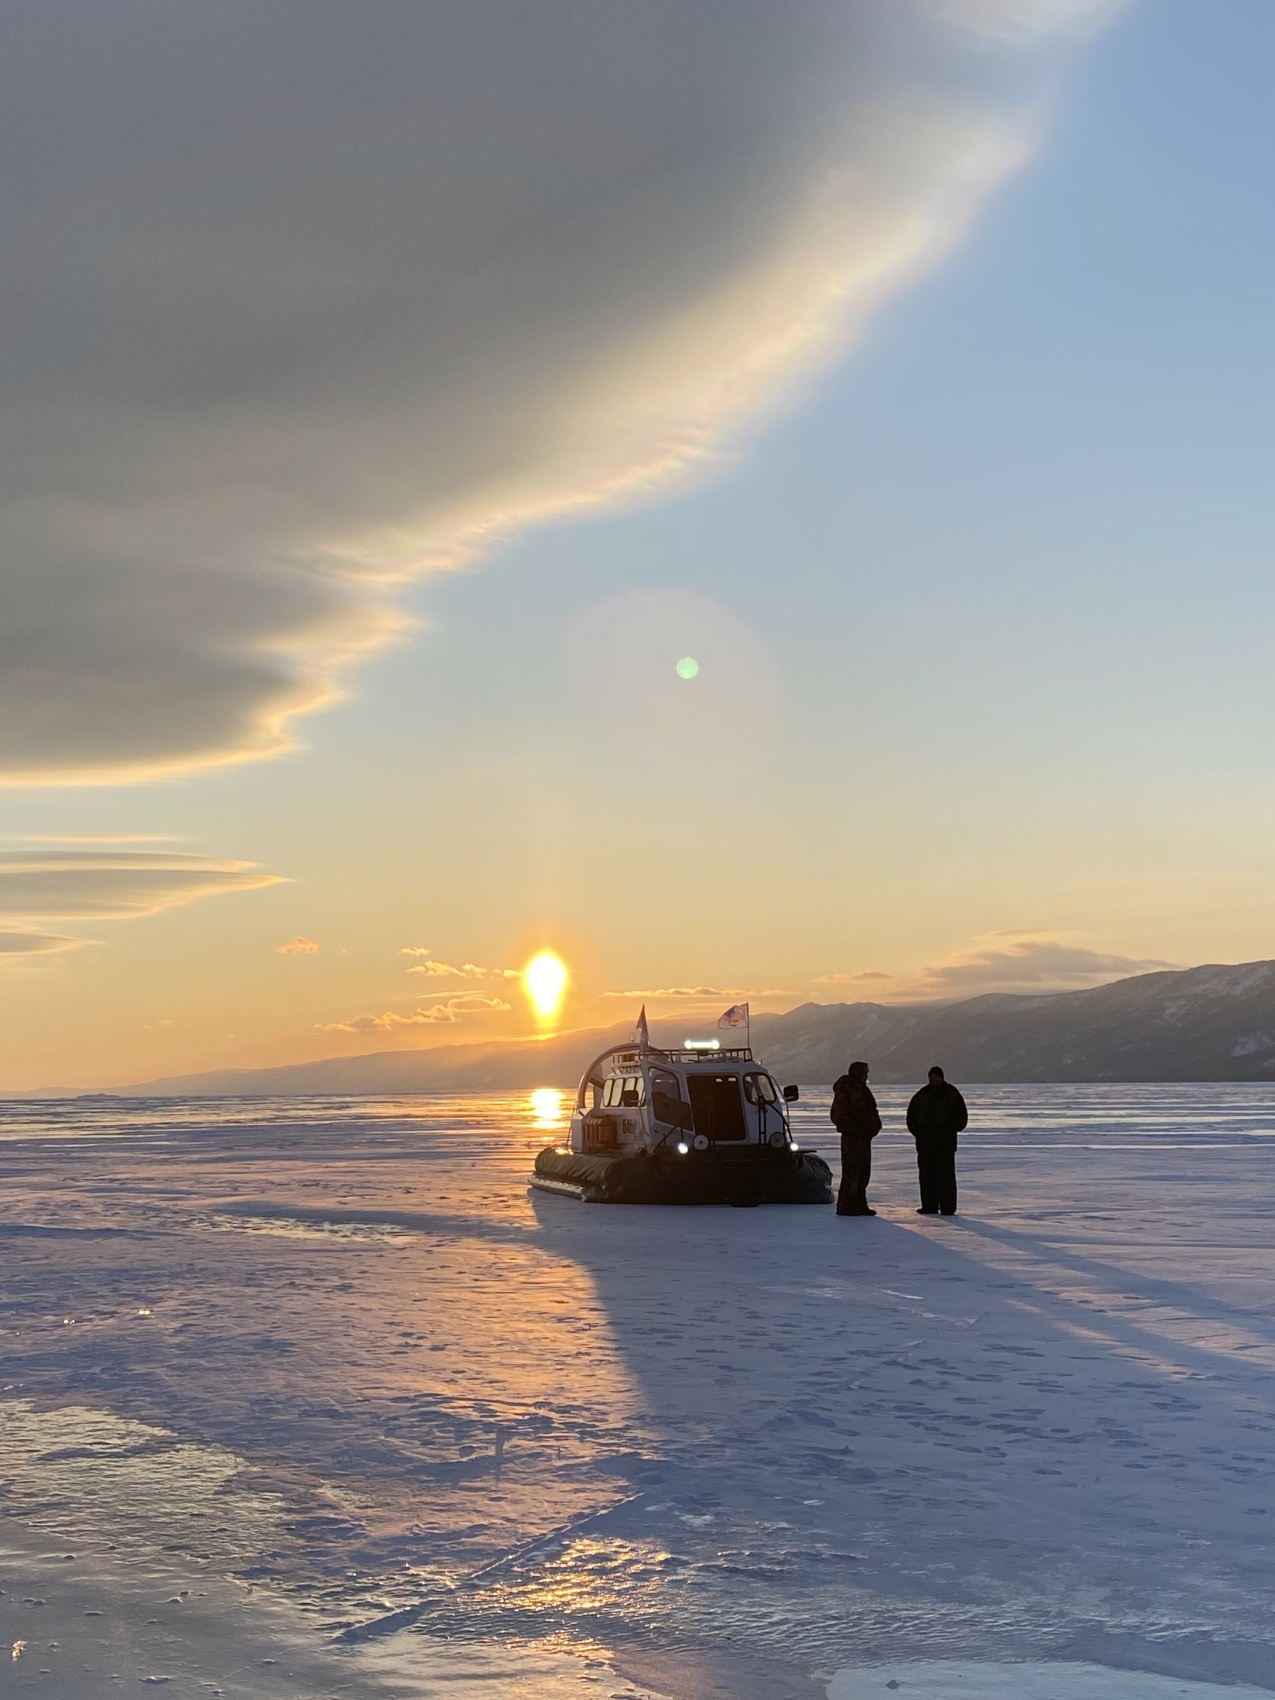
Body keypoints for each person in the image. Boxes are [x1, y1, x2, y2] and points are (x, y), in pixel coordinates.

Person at [905, 1066, 968, 1216]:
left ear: (942, 1078)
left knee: (945, 1177)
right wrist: (918, 1133)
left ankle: (948, 1207)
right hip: (925, 1143)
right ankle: (929, 1206)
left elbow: (961, 1119)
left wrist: (947, 1131)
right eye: (931, 1077)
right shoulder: (921, 1095)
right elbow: (911, 1117)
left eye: (936, 1077)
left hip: (944, 1144)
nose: (933, 1079)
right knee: (926, 1176)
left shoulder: (951, 1094)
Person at [830, 1060, 881, 1216]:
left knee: (863, 1173)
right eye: (865, 1072)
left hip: (864, 1138)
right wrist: (855, 1129)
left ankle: (859, 1204)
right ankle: (846, 1206)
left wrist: (874, 1126)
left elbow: (872, 1110)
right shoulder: (845, 1091)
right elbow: (838, 1115)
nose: (867, 1075)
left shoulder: (864, 1091)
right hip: (852, 1139)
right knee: (851, 1173)